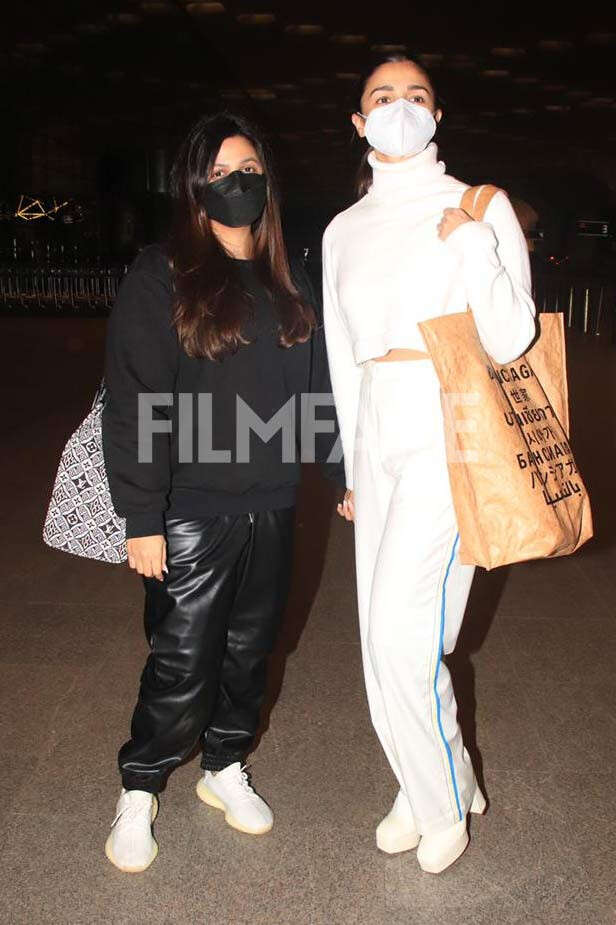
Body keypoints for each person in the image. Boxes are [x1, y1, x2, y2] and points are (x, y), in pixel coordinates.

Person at [102, 112, 344, 873]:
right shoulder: (162, 273)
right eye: (221, 174)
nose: (240, 184)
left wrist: (341, 473)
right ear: (195, 189)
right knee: (181, 660)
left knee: (251, 652)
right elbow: (136, 396)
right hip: (191, 508)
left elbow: (320, 390)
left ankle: (223, 766)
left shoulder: (288, 278)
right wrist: (143, 515)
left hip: (271, 502)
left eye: (250, 170)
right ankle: (139, 787)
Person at [324, 55, 536, 874]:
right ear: (359, 120)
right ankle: (430, 778)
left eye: (415, 97)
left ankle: (441, 800)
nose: (399, 108)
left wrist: (477, 246)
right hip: (378, 430)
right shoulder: (342, 230)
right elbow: (345, 357)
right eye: (382, 97)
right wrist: (349, 461)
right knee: (386, 635)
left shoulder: (476, 206)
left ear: (438, 116)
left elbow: (513, 335)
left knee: (400, 634)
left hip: (451, 426)